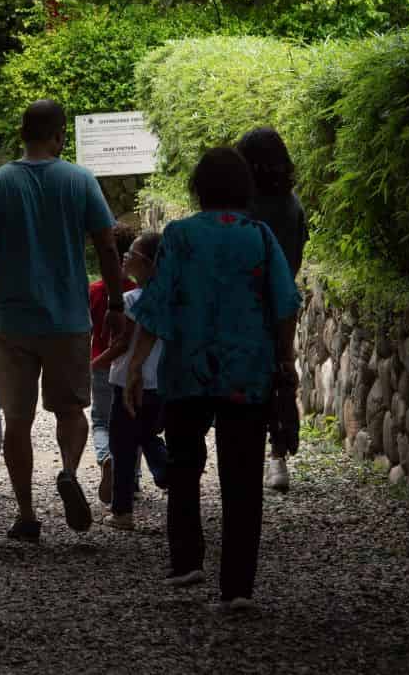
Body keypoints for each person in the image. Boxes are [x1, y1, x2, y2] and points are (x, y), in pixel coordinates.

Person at [124, 146, 301, 609]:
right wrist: (285, 360)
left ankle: (187, 563)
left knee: (184, 467)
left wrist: (137, 367)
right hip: (248, 370)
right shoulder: (260, 236)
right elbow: (285, 305)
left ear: (199, 188)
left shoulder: (181, 236)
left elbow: (156, 303)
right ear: (243, 188)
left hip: (188, 370)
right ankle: (237, 588)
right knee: (242, 479)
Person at [0, 99, 125, 542]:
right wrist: (118, 304)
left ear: (21, 133)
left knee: (18, 421)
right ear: (59, 135)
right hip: (68, 319)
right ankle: (68, 470)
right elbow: (107, 247)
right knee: (71, 410)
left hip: (12, 321)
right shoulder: (80, 179)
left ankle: (27, 513)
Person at [236, 127, 309, 493]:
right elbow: (294, 259)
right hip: (281, 303)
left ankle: (243, 449)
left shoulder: (240, 208)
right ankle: (277, 456)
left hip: (242, 303)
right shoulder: (292, 205)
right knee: (281, 371)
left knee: (242, 376)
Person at [94, 230, 168, 529]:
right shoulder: (168, 299)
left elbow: (123, 343)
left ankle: (122, 511)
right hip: (158, 383)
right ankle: (165, 470)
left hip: (127, 381)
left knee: (122, 444)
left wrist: (95, 363)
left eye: (131, 255)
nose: (125, 259)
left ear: (148, 264)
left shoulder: (129, 299)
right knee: (148, 435)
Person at [88, 224, 143, 503]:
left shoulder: (94, 291)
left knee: (101, 421)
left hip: (99, 364)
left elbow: (86, 329)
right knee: (132, 420)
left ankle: (105, 457)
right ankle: (131, 478)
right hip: (132, 368)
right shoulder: (137, 292)